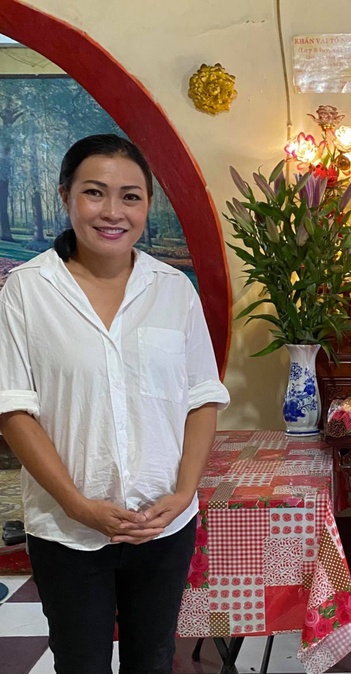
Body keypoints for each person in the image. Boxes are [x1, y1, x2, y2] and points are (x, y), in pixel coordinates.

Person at [0, 134, 230, 674]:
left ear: (147, 206)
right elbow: (13, 409)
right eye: (94, 192)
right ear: (66, 196)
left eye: (130, 196)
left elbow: (201, 398)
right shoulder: (27, 290)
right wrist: (78, 505)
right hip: (68, 528)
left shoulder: (173, 289)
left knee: (153, 660)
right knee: (80, 662)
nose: (112, 212)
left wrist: (183, 493)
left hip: (162, 524)